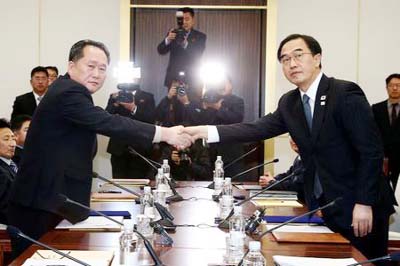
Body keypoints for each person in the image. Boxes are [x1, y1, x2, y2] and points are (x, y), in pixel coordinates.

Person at [184, 34, 395, 262]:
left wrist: (364, 202)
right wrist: (205, 131)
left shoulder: (344, 93)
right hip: (326, 206)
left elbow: (371, 151)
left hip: (361, 206)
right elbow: (256, 128)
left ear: (317, 58)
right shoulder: (290, 103)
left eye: (298, 55)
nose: (292, 64)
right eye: (285, 60)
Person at [7, 39, 193, 258]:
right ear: (71, 66)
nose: (97, 73)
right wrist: (166, 134)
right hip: (40, 205)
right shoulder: (68, 92)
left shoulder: (70, 91)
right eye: (91, 66)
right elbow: (109, 122)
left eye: (102, 69)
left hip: (52, 201)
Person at [105, 86, 156, 179]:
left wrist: (133, 108)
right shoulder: (116, 96)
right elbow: (106, 118)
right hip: (118, 149)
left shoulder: (147, 97)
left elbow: (150, 120)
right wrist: (115, 103)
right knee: (118, 183)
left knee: (137, 183)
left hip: (139, 149)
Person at [157, 7, 206, 101]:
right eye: (181, 19)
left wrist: (185, 43)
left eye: (187, 19)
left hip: (193, 80)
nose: (184, 22)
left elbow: (198, 54)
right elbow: (160, 50)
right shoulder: (173, 33)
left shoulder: (200, 36)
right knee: (174, 109)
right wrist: (167, 40)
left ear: (193, 20)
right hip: (174, 79)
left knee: (191, 108)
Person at [372, 74, 400, 190]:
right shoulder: (376, 109)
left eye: (398, 85)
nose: (394, 88)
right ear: (386, 87)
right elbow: (372, 134)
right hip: (382, 161)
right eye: (391, 85)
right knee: (383, 194)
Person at [0, 119, 17, 224]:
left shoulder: (14, 163)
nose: (13, 144)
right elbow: (4, 210)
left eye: (13, 139)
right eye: (6, 139)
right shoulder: (1, 173)